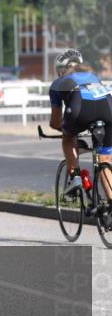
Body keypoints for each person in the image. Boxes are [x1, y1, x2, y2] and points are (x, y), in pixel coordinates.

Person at [48, 48, 112, 206]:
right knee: (104, 159)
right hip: (108, 109)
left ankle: (74, 176)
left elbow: (56, 122)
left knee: (68, 136)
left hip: (80, 108)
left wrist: (68, 131)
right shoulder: (93, 77)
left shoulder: (58, 83)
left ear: (61, 70)